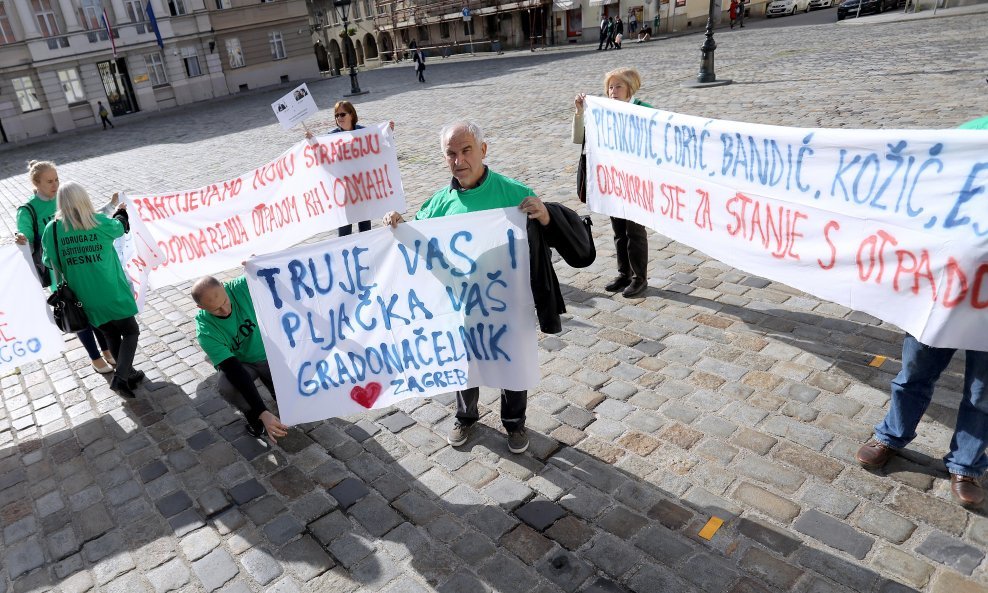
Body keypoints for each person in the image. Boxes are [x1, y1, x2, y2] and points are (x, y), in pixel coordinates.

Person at [382, 121, 552, 454]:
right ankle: (466, 416)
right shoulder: (438, 204)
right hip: (462, 303)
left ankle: (515, 424)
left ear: (483, 150)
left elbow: (543, 242)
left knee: (511, 362)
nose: (459, 160)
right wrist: (398, 225)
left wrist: (544, 215)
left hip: (507, 303)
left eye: (466, 151)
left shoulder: (514, 193)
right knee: (465, 365)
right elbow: (418, 245)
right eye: (451, 154)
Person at [855, 114, 988, 508]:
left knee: (984, 391)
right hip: (946, 288)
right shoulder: (965, 137)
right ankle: (891, 436)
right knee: (915, 370)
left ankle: (966, 464)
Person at [41, 182, 143, 397]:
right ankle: (121, 377)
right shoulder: (98, 222)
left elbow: (48, 261)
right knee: (131, 331)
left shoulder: (53, 229)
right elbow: (120, 227)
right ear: (84, 199)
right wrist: (121, 213)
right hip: (111, 291)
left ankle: (129, 373)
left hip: (83, 298)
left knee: (110, 334)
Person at [15, 161, 116, 375]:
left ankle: (106, 350)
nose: (55, 184)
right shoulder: (28, 210)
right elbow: (28, 240)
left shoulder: (63, 199)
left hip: (81, 266)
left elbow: (86, 219)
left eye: (57, 179)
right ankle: (95, 358)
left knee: (93, 308)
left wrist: (109, 207)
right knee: (77, 314)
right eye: (49, 181)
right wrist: (22, 238)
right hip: (58, 273)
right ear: (36, 183)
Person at [573, 68, 651, 298]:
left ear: (629, 88)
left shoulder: (644, 110)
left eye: (618, 86)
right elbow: (579, 138)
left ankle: (640, 277)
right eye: (610, 87)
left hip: (636, 180)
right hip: (612, 179)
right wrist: (579, 112)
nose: (613, 91)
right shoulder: (602, 111)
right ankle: (624, 273)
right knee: (619, 230)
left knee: (635, 230)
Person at [192, 275, 290, 444]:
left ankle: (280, 397)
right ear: (200, 307)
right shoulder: (205, 331)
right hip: (243, 364)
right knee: (227, 385)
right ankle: (254, 416)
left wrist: (257, 262)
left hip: (272, 352)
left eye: (225, 302)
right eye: (215, 310)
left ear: (224, 287)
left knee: (288, 400)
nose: (225, 310)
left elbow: (274, 272)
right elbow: (234, 370)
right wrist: (261, 411)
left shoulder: (240, 287)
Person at [304, 100, 394, 238]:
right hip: (343, 189)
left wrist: (388, 131)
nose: (339, 118)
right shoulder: (331, 136)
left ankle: (367, 248)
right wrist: (312, 141)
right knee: (344, 227)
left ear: (351, 115)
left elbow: (379, 143)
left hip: (363, 186)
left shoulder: (363, 132)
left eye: (342, 114)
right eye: (336, 115)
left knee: (365, 225)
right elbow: (323, 154)